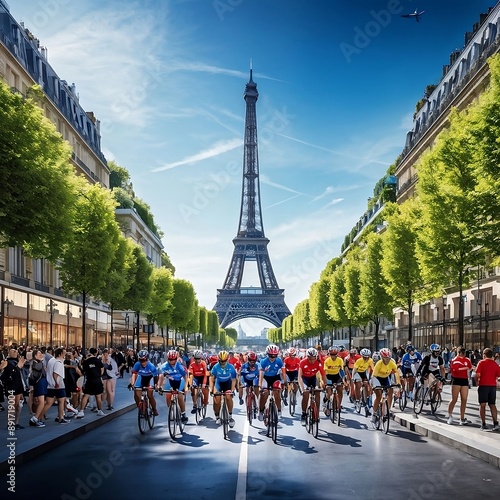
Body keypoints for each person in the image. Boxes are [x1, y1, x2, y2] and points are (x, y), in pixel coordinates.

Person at [158, 350, 188, 423]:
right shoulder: (164, 366)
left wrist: (186, 387)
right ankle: (171, 409)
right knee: (168, 395)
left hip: (179, 380)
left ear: (176, 359)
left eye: (174, 360)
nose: (172, 361)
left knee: (180, 396)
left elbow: (185, 377)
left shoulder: (179, 366)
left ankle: (183, 414)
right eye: (170, 360)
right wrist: (159, 386)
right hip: (170, 381)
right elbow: (161, 377)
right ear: (168, 359)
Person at [371, 347, 400, 423]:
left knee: (390, 390)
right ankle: (374, 413)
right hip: (377, 378)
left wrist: (398, 383)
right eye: (385, 358)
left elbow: (396, 373)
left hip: (385, 378)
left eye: (388, 358)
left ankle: (387, 411)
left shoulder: (392, 363)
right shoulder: (378, 364)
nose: (387, 360)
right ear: (382, 357)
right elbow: (373, 376)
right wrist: (374, 386)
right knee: (379, 396)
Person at [298, 347, 327, 425]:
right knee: (306, 395)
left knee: (317, 393)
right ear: (307, 357)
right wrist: (302, 388)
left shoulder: (319, 363)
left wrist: (325, 385)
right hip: (304, 378)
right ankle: (303, 414)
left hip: (313, 378)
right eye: (310, 359)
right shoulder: (302, 362)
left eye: (314, 358)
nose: (312, 361)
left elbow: (323, 375)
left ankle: (316, 413)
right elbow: (299, 377)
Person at [41, 347, 69, 424]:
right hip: (58, 385)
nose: (65, 355)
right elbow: (55, 374)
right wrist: (57, 383)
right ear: (60, 354)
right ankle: (60, 418)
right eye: (64, 353)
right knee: (61, 401)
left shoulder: (51, 360)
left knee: (49, 403)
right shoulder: (59, 363)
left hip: (50, 384)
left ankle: (39, 417)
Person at [258, 344, 286, 421]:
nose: (273, 358)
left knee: (276, 392)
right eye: (271, 356)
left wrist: (285, 381)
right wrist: (260, 386)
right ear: (267, 354)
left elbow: (283, 372)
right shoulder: (263, 361)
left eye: (275, 356)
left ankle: (279, 410)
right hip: (265, 378)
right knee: (265, 393)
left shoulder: (279, 361)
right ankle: (261, 410)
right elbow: (261, 375)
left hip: (275, 377)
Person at [127, 349, 159, 417]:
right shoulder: (137, 364)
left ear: (147, 359)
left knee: (150, 395)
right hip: (141, 378)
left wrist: (156, 385)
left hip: (150, 379)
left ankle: (154, 409)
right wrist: (132, 384)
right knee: (136, 394)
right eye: (141, 360)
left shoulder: (151, 366)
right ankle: (141, 408)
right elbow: (133, 375)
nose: (143, 362)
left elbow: (156, 377)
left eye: (144, 360)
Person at [475, 348, 500, 431]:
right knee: (492, 404)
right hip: (492, 386)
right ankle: (495, 423)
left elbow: (477, 374)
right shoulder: (495, 364)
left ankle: (483, 423)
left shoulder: (481, 363)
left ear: (484, 355)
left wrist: (476, 382)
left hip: (483, 385)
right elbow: (498, 374)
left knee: (482, 405)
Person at [0, 348, 27, 429]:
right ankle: (10, 424)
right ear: (9, 353)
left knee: (18, 405)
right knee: (12, 405)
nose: (15, 353)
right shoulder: (6, 362)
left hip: (18, 385)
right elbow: (4, 373)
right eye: (13, 351)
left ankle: (16, 423)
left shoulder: (17, 361)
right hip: (11, 386)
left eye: (16, 351)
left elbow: (20, 375)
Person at [76, 348, 105, 418]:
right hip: (97, 380)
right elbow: (102, 369)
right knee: (98, 396)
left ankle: (81, 411)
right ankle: (99, 411)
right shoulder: (98, 361)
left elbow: (83, 371)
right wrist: (99, 375)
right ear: (96, 353)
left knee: (86, 396)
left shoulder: (86, 361)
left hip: (89, 380)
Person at [210, 350, 237, 427]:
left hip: (228, 383)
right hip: (219, 383)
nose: (222, 363)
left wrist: (232, 390)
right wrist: (211, 390)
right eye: (220, 361)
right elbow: (212, 379)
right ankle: (217, 416)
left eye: (224, 361)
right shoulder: (215, 367)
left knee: (228, 397)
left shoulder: (231, 367)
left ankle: (230, 416)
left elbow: (234, 380)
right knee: (217, 399)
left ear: (227, 360)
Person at [447, 346, 472, 425]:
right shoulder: (454, 360)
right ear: (459, 353)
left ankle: (462, 418)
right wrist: (465, 368)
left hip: (464, 380)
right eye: (462, 353)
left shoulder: (467, 360)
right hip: (456, 380)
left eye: (465, 353)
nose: (464, 355)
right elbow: (455, 370)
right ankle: (450, 416)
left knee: (464, 399)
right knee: (454, 399)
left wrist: (465, 368)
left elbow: (470, 367)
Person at [323, 346, 345, 416]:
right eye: (331, 355)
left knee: (340, 389)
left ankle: (339, 404)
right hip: (329, 376)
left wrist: (344, 379)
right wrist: (325, 382)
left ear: (337, 354)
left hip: (337, 376)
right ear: (329, 354)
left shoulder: (340, 360)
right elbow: (325, 371)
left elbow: (341, 370)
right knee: (329, 390)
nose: (333, 356)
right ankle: (327, 403)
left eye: (334, 354)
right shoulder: (327, 361)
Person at [28, 348, 48, 427]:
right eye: (39, 354)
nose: (41, 355)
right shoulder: (35, 363)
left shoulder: (39, 363)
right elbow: (34, 373)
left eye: (41, 354)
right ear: (35, 355)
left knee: (42, 402)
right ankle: (34, 419)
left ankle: (36, 418)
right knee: (41, 402)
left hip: (41, 383)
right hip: (39, 383)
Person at [351, 348, 374, 416]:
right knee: (358, 384)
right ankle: (358, 400)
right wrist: (352, 377)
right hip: (357, 372)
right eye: (364, 357)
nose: (366, 359)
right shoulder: (359, 361)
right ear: (362, 356)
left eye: (367, 357)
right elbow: (354, 370)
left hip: (364, 373)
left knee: (366, 384)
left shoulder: (370, 360)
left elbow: (373, 369)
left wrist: (372, 377)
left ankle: (366, 399)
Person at [188, 349, 209, 414]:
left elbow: (206, 374)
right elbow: (191, 375)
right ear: (194, 358)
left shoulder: (203, 363)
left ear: (201, 358)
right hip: (196, 377)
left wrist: (204, 383)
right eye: (196, 359)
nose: (197, 360)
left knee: (205, 389)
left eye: (199, 359)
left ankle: (205, 402)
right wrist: (190, 384)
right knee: (193, 389)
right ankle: (194, 405)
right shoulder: (192, 364)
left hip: (203, 376)